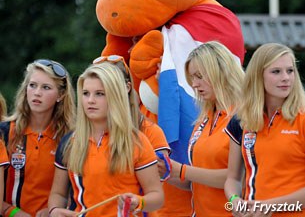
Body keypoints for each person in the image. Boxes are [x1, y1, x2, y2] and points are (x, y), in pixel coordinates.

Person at [48, 63, 164, 216]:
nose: (90, 100)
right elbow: (58, 194)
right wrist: (55, 211)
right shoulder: (70, 142)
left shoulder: (137, 141)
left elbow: (157, 196)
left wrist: (138, 201)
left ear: (115, 96)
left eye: (99, 94)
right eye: (85, 93)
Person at [158, 41, 245, 216]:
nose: (194, 85)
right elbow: (195, 182)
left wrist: (182, 170)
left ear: (220, 71)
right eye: (192, 78)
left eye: (199, 76)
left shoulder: (244, 117)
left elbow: (239, 179)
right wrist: (164, 171)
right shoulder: (204, 118)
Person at [224, 43, 305, 216]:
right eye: (276, 72)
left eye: (290, 71)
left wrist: (270, 206)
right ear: (257, 76)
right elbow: (232, 179)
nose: (286, 78)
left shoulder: (302, 119)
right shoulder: (241, 120)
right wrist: (234, 201)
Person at [0, 59, 75, 217]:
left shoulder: (71, 139)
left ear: (61, 95)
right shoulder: (5, 133)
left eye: (46, 87)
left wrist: (54, 210)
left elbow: (78, 190)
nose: (37, 92)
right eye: (32, 85)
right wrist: (13, 212)